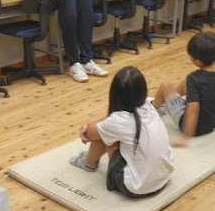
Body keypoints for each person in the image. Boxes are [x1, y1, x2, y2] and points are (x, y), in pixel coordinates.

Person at [69, 66, 174, 198]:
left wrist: (86, 126)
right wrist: (91, 123)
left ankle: (89, 163)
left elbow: (90, 134)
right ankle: (92, 156)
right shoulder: (148, 105)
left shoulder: (117, 121)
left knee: (105, 134)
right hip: (165, 177)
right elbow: (111, 119)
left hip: (137, 188)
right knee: (107, 129)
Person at [152, 32, 215, 145]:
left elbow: (193, 108)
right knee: (185, 82)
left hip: (194, 127)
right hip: (212, 123)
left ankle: (153, 109)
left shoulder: (194, 79)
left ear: (198, 61)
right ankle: (167, 104)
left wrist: (185, 137)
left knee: (165, 86)